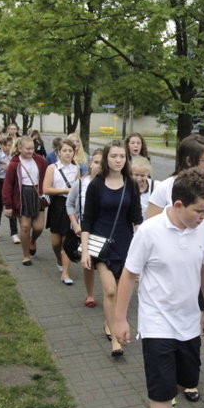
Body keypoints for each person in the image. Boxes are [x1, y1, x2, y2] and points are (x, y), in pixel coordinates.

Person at [112, 168, 204, 408]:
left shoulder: (202, 230)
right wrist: (119, 319)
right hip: (157, 323)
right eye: (199, 210)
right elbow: (129, 275)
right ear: (177, 205)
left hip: (189, 322)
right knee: (160, 389)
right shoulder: (149, 232)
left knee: (186, 379)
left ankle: (171, 398)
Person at [146, 134, 204, 402]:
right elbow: (151, 227)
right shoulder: (165, 187)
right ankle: (171, 392)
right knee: (167, 334)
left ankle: (186, 377)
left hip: (197, 267)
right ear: (190, 160)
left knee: (194, 322)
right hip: (168, 273)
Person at [80, 140, 142, 357]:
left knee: (120, 291)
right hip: (101, 245)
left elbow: (137, 219)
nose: (118, 160)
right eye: (113, 156)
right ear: (106, 158)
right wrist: (86, 250)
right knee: (110, 290)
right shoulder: (96, 184)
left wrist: (143, 251)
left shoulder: (131, 184)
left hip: (126, 244)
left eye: (122, 156)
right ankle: (115, 339)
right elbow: (86, 220)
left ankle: (111, 322)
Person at [2, 136, 48, 266]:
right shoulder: (14, 164)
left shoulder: (40, 161)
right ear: (20, 148)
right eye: (27, 149)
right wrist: (8, 205)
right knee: (25, 227)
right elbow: (8, 186)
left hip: (37, 195)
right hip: (21, 197)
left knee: (38, 227)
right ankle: (26, 255)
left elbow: (46, 178)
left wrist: (46, 192)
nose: (30, 151)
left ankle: (32, 241)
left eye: (32, 148)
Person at [67, 148, 103, 308]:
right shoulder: (81, 183)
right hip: (85, 230)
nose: (99, 166)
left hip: (105, 230)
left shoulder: (112, 184)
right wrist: (75, 224)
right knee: (88, 263)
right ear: (90, 163)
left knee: (106, 264)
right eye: (96, 162)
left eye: (102, 163)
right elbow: (69, 204)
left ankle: (111, 291)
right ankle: (90, 294)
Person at [43, 139, 80, 283]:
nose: (68, 153)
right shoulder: (52, 168)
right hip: (57, 205)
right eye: (64, 150)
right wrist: (65, 190)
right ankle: (59, 259)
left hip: (70, 206)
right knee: (56, 243)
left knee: (67, 241)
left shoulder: (76, 168)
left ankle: (65, 273)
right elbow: (46, 188)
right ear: (59, 152)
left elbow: (78, 188)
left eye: (70, 151)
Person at [131, 156, 159, 221]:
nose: (139, 179)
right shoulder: (126, 187)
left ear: (148, 174)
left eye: (142, 175)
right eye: (136, 175)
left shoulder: (156, 186)